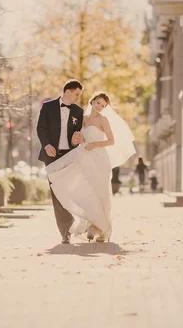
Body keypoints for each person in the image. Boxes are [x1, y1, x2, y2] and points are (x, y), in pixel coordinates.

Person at [45, 92, 136, 243]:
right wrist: (77, 139)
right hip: (84, 158)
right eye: (98, 103)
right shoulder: (84, 119)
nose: (99, 107)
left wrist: (95, 144)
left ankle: (101, 228)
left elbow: (111, 140)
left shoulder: (103, 120)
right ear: (92, 101)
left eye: (103, 105)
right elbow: (78, 138)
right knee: (86, 190)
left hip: (100, 159)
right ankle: (90, 224)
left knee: (101, 192)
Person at [36, 79, 85, 244]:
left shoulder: (78, 112)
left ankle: (74, 221)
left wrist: (77, 140)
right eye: (76, 94)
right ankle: (65, 230)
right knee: (56, 194)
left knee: (69, 191)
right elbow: (40, 128)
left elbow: (77, 135)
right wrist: (47, 145)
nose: (78, 98)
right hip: (51, 156)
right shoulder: (48, 107)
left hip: (69, 156)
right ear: (68, 92)